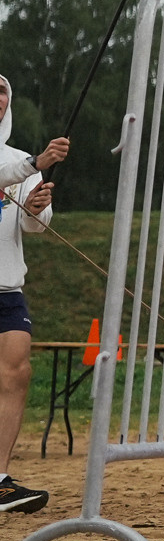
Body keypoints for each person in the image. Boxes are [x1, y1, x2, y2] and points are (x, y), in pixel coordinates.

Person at [1, 73, 72, 514]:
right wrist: (37, 161)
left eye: (3, 93)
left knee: (16, 372)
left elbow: (36, 227)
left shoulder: (19, 161)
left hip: (7, 286)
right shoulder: (23, 162)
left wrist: (36, 208)